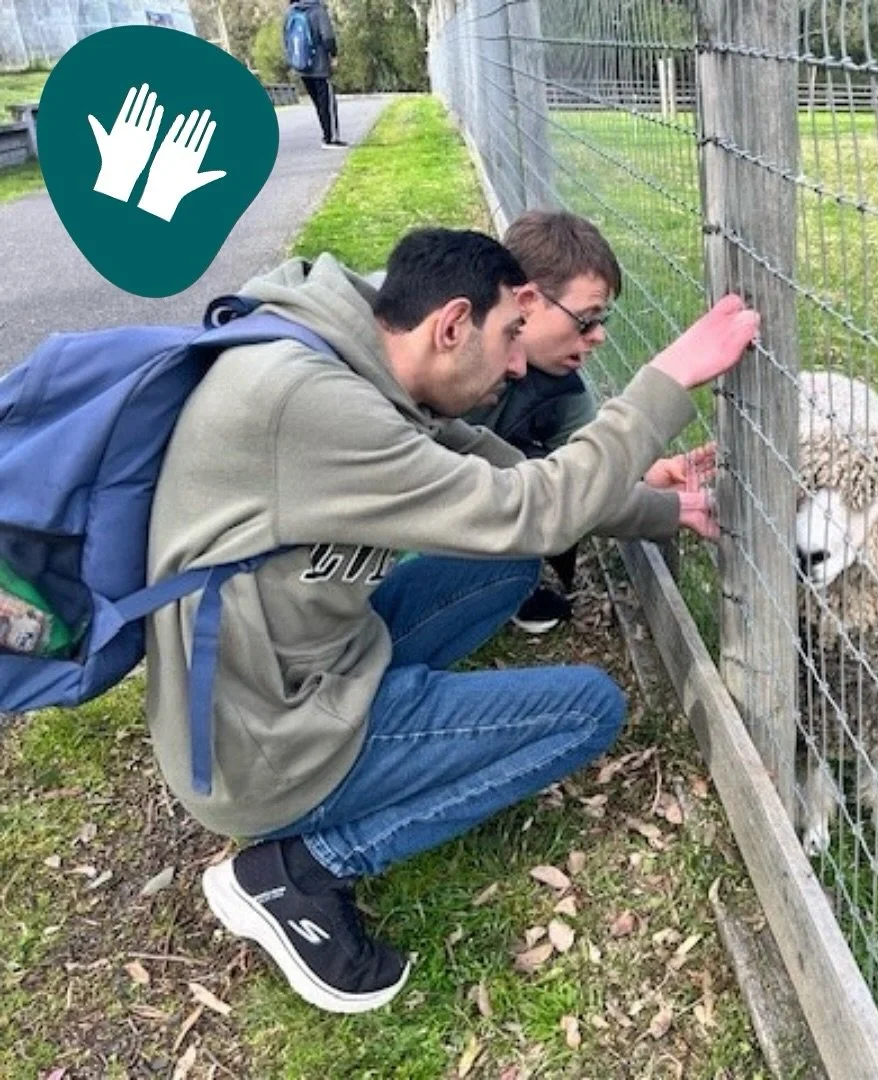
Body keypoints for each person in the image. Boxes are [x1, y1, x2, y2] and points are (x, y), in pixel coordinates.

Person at [144, 227, 758, 1014]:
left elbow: (514, 486)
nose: (514, 365)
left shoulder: (349, 350)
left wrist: (664, 508)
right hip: (262, 745)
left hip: (298, 660)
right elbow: (535, 506)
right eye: (508, 337)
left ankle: (397, 719)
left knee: (502, 560)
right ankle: (298, 871)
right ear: (450, 325)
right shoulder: (317, 408)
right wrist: (669, 378)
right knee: (587, 710)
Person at [464, 209, 706, 633]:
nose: (598, 335)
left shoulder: (562, 386)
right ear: (528, 301)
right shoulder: (445, 354)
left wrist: (643, 474)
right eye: (587, 319)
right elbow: (552, 492)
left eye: (602, 321)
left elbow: (582, 479)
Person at [284, 0, 345, 149]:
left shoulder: (291, 11)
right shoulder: (318, 10)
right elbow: (328, 36)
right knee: (328, 103)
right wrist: (334, 55)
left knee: (318, 103)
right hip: (320, 66)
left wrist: (294, 60)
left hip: (302, 66)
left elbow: (286, 39)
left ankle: (326, 135)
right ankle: (330, 138)